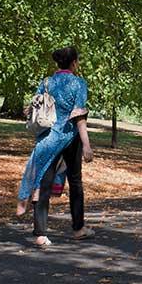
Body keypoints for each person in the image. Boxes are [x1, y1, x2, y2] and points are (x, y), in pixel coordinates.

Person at [17, 47, 95, 248]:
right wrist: (86, 144)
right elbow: (79, 116)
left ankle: (41, 234)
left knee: (43, 182)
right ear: (74, 63)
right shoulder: (78, 83)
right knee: (75, 183)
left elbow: (31, 107)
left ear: (58, 63)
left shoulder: (46, 82)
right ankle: (78, 229)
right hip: (70, 138)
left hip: (48, 137)